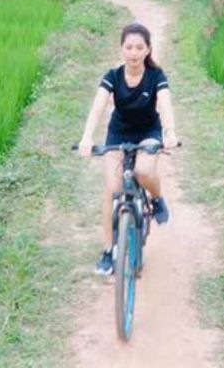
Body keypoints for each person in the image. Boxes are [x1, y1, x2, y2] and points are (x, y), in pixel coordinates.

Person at [76, 21, 178, 276]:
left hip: (148, 132)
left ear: (147, 50)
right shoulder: (112, 76)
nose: (133, 52)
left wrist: (170, 133)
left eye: (138, 47)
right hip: (119, 132)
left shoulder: (156, 77)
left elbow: (165, 106)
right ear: (121, 49)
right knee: (113, 190)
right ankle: (109, 250)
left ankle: (156, 200)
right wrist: (87, 138)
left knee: (143, 170)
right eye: (128, 47)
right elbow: (98, 107)